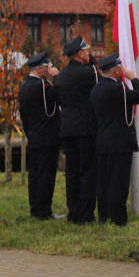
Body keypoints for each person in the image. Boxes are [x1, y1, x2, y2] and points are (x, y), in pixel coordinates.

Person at [90, 52, 139, 226]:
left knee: (104, 184)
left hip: (101, 142)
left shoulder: (95, 89)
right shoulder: (119, 89)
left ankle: (104, 217)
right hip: (119, 143)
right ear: (116, 70)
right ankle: (118, 219)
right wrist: (133, 78)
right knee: (118, 183)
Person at [56, 36, 99, 225]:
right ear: (79, 53)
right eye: (86, 50)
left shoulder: (59, 77)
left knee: (72, 172)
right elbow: (96, 97)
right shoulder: (90, 73)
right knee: (88, 171)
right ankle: (86, 214)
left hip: (67, 129)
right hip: (86, 128)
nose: (89, 53)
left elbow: (60, 101)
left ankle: (73, 213)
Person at [17, 51, 62, 220]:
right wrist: (56, 77)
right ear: (39, 68)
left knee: (34, 175)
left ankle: (35, 208)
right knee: (46, 175)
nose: (48, 69)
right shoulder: (44, 87)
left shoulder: (24, 87)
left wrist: (30, 133)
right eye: (46, 67)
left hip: (34, 136)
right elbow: (60, 94)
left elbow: (23, 115)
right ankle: (44, 211)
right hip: (48, 137)